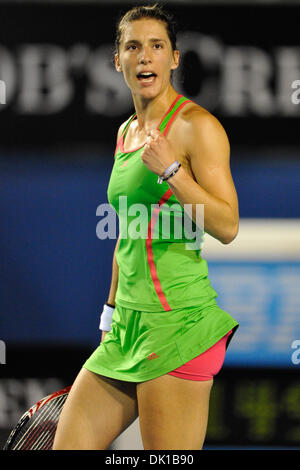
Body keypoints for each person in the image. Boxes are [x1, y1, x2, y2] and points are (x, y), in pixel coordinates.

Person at [53, 3, 239, 450]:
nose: (144, 56)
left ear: (174, 58)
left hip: (177, 324)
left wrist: (173, 171)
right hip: (126, 329)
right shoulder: (126, 132)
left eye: (157, 46)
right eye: (133, 47)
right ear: (118, 61)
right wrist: (110, 313)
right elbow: (127, 230)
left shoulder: (198, 128)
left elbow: (227, 225)